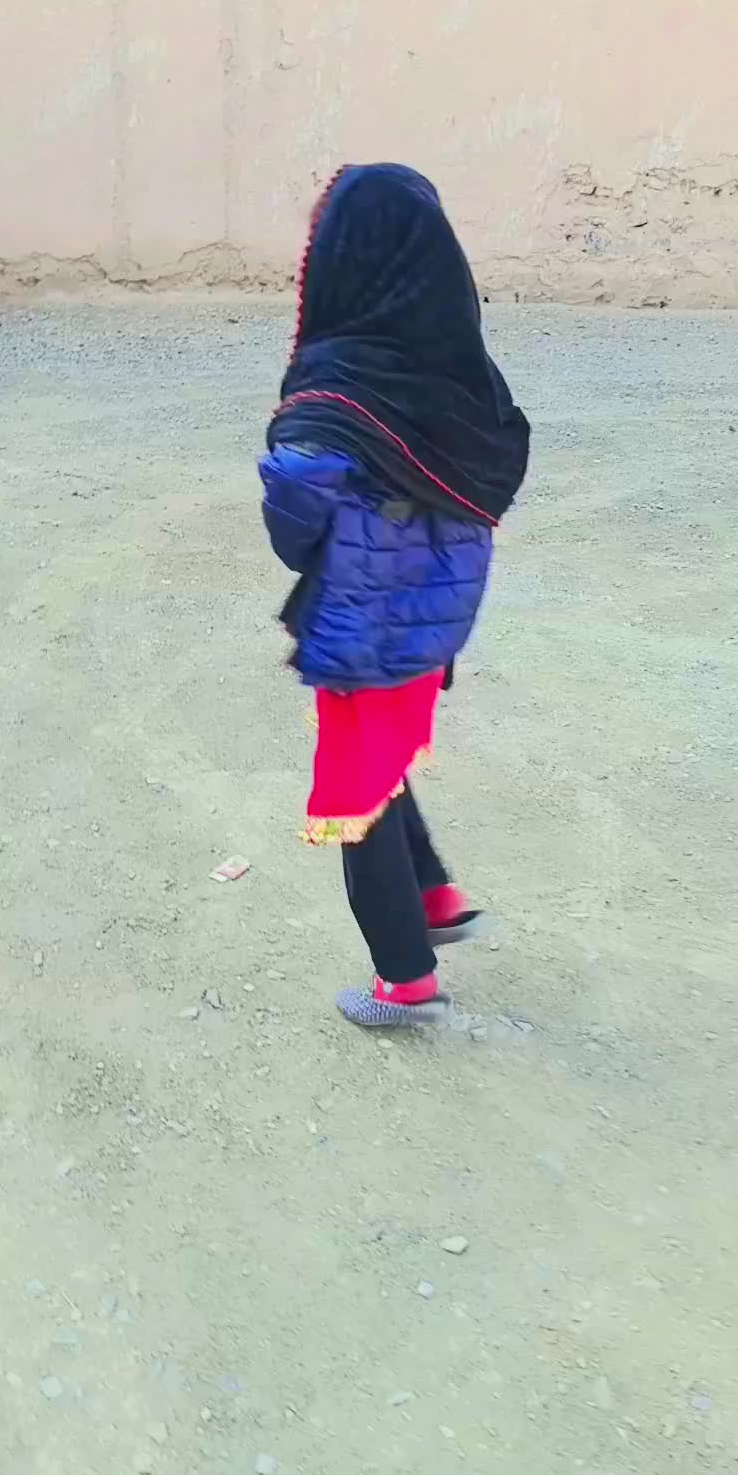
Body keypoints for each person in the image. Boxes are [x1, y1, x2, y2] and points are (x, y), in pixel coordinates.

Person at [259, 163, 530, 1028]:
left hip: (364, 630)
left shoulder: (334, 392)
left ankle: (404, 981)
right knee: (382, 760)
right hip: (432, 625)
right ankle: (435, 897)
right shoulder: (462, 380)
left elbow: (293, 524)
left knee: (353, 797)